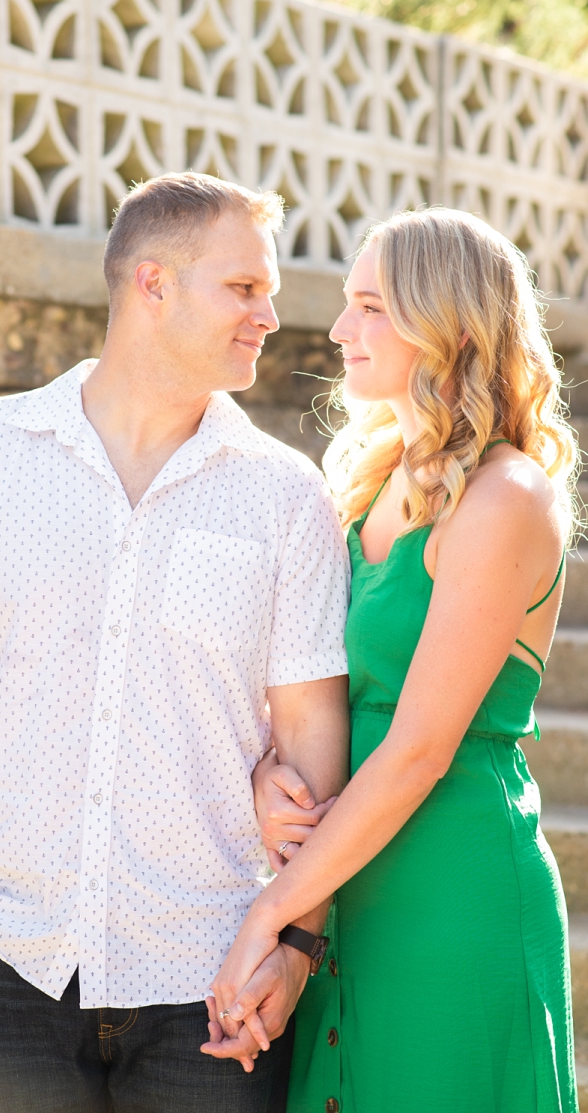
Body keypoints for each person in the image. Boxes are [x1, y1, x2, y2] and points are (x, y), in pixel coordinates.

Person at [0, 171, 353, 1112]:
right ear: (152, 284)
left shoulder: (287, 495)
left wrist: (294, 943)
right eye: (245, 288)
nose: (271, 315)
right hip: (7, 958)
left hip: (213, 971)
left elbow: (314, 727)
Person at [205, 207, 579, 1111]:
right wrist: (266, 768)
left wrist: (267, 907)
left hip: (451, 891)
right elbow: (310, 686)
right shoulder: (366, 484)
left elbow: (415, 748)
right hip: (340, 889)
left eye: (369, 306)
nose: (339, 331)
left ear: (443, 322)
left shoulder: (506, 495)